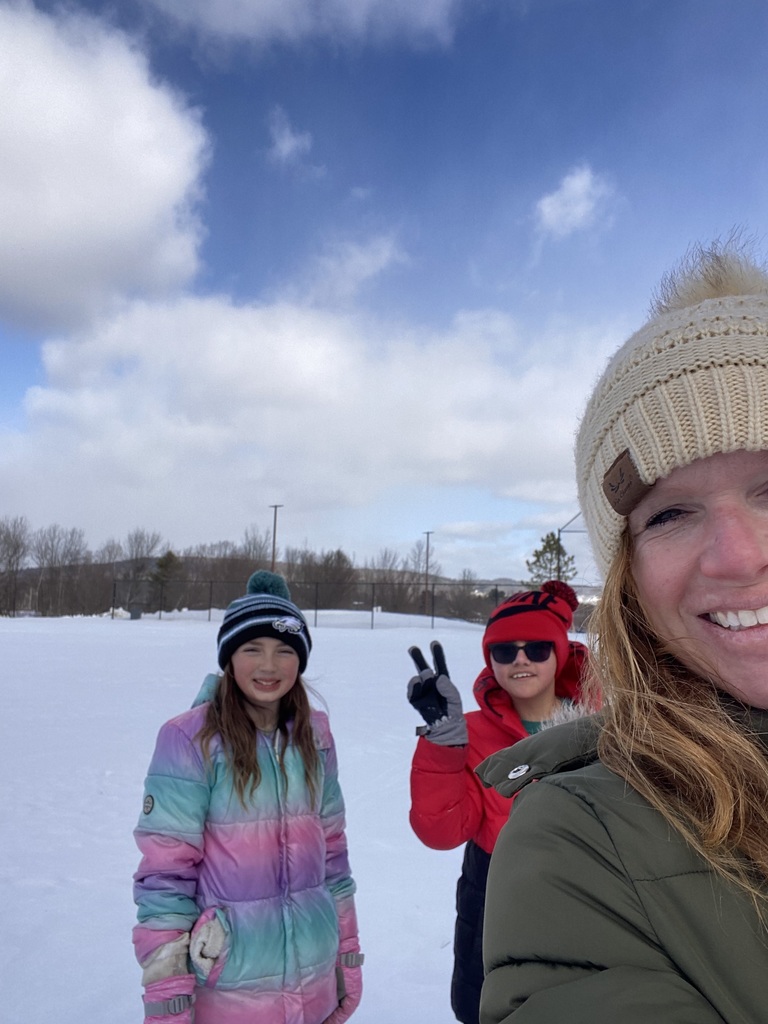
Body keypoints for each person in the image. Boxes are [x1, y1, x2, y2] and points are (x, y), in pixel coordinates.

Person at [478, 236, 768, 1023]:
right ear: (629, 584)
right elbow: (442, 822)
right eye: (669, 513)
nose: (739, 555)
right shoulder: (576, 838)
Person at [132, 571, 363, 1024]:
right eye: (252, 648)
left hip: (314, 981)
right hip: (230, 990)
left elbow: (334, 856)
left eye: (285, 651)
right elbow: (165, 879)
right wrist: (168, 996)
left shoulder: (315, 736)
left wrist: (347, 954)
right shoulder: (190, 740)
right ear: (229, 657)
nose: (269, 666)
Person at [407, 581, 588, 1024]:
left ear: (559, 653)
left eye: (537, 649)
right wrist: (443, 746)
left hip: (586, 892)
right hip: (495, 896)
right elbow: (441, 831)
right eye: (505, 651)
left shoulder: (601, 722)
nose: (520, 660)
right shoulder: (467, 731)